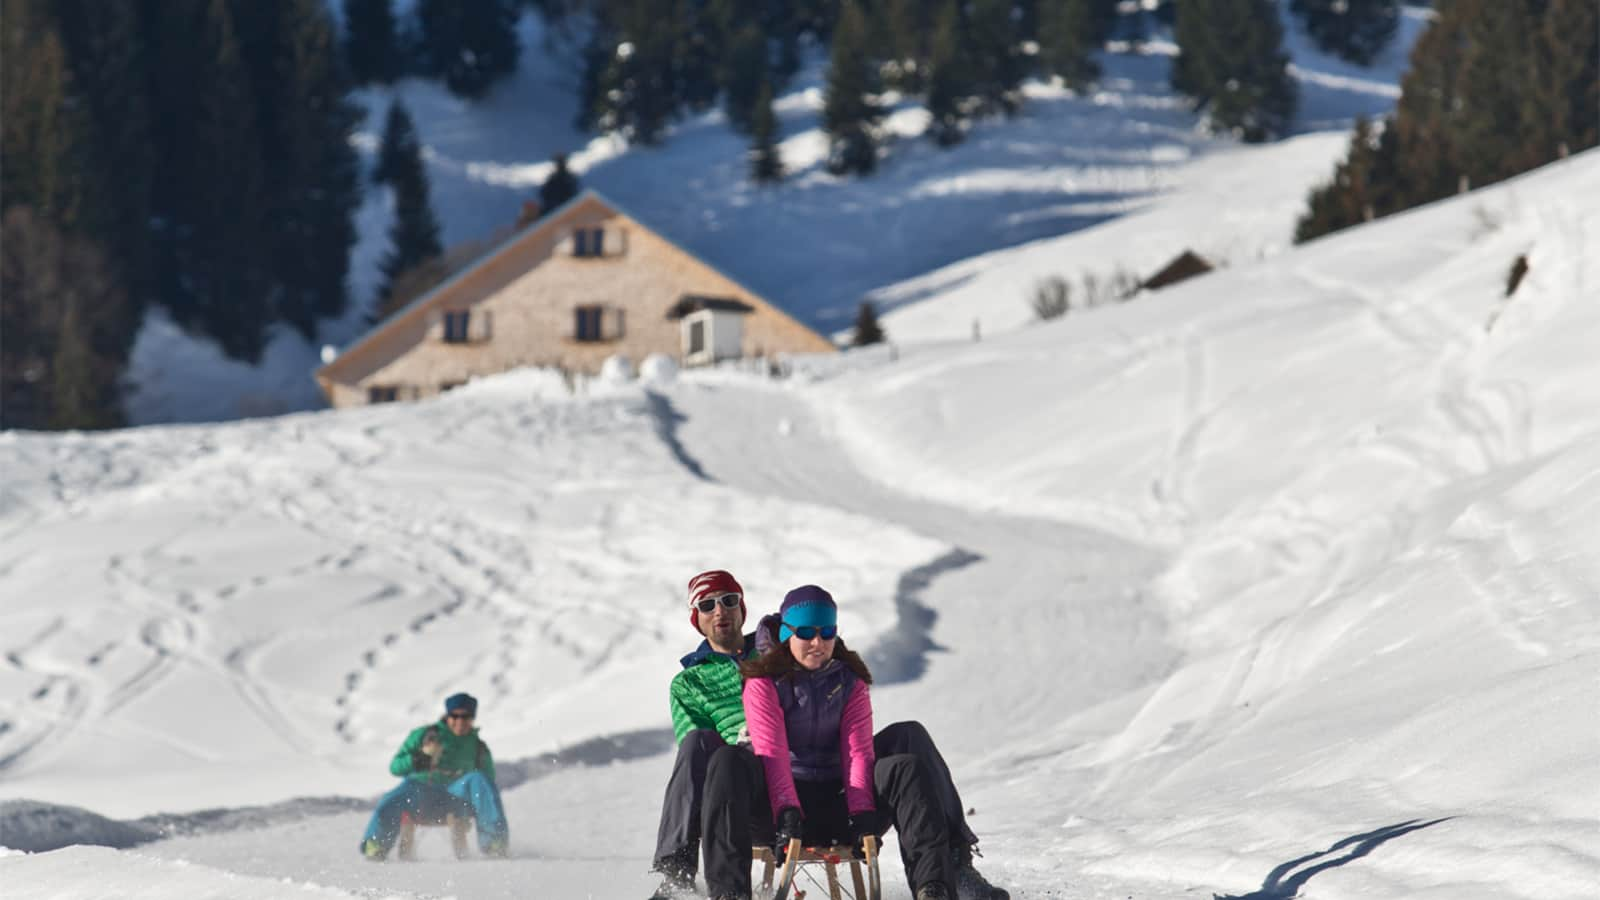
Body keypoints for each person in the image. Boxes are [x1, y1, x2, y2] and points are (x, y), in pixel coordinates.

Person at [698, 585, 1002, 900]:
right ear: (787, 633)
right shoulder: (763, 681)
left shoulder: (849, 679)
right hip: (777, 814)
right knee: (728, 760)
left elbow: (857, 751)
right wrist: (787, 813)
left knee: (906, 763)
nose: (817, 642)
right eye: (805, 632)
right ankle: (729, 894)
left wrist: (862, 815)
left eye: (826, 632)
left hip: (837, 803)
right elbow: (772, 753)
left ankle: (936, 885)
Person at [359, 692, 509, 860]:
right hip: (420, 793)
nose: (460, 721)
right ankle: (377, 845)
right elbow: (395, 767)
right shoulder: (424, 735)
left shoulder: (478, 747)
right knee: (395, 796)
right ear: (448, 715)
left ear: (472, 718)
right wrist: (416, 760)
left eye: (465, 717)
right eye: (455, 716)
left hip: (456, 799)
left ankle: (494, 843)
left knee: (479, 779)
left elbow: (487, 785)